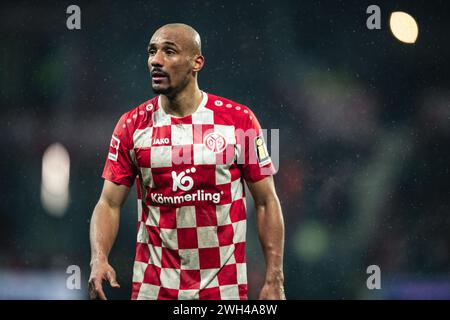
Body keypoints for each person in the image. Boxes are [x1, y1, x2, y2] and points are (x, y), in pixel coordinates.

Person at [88, 23, 285, 300]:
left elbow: (267, 201)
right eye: (152, 52)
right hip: (153, 290)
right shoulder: (131, 125)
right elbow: (108, 203)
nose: (156, 60)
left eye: (169, 51)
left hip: (222, 292)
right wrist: (99, 258)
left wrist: (274, 277)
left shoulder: (239, 121)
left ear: (197, 62)